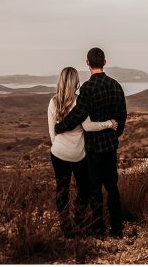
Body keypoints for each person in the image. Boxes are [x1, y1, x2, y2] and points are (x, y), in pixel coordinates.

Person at [54, 47, 127, 238]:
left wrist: (60, 127)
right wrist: (115, 133)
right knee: (112, 187)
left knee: (95, 190)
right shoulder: (116, 85)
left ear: (87, 62)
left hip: (93, 148)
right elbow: (122, 115)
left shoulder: (88, 88)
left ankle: (99, 229)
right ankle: (117, 229)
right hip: (110, 146)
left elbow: (78, 115)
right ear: (105, 61)